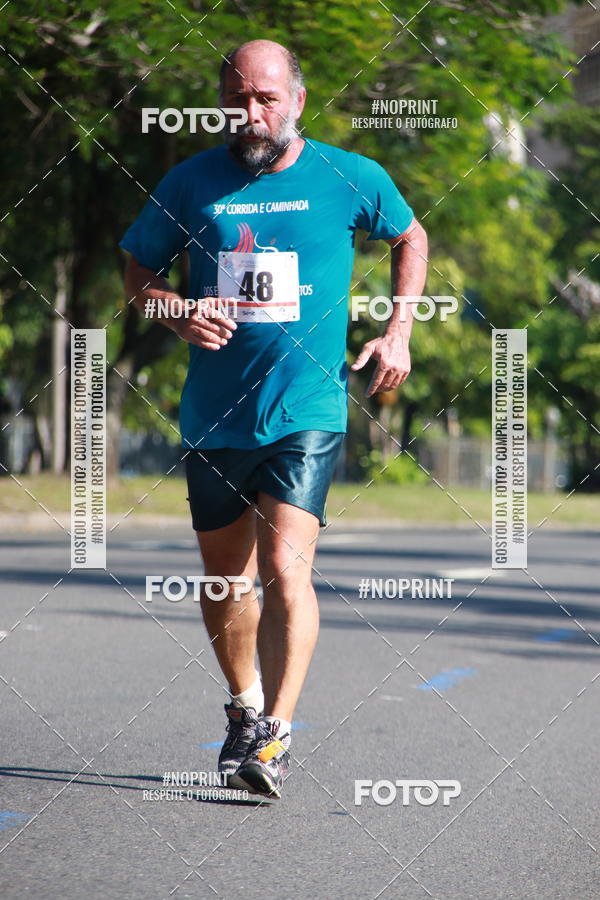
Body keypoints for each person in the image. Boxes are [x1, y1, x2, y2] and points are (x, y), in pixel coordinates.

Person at [120, 39, 428, 799]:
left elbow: (410, 237)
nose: (250, 115)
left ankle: (278, 738)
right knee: (227, 582)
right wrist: (177, 312)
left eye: (264, 99)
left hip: (308, 406)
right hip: (215, 415)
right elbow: (137, 275)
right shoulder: (191, 183)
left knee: (287, 570)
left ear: (297, 96)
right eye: (237, 100)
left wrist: (399, 332)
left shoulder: (350, 176)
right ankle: (246, 709)